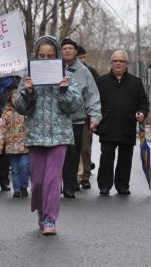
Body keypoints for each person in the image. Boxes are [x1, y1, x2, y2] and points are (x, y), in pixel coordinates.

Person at [15, 35, 82, 235]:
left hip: (59, 135)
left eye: (50, 56)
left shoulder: (67, 76)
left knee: (53, 179)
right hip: (36, 135)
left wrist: (64, 90)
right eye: (41, 56)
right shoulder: (27, 77)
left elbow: (75, 106)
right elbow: (19, 107)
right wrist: (28, 93)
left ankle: (50, 219)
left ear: (57, 56)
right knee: (38, 182)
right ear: (36, 56)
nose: (45, 59)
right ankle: (41, 210)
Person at [95, 50, 149, 196]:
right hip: (107, 126)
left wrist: (142, 112)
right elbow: (94, 103)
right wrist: (94, 120)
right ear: (111, 63)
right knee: (106, 158)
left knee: (125, 160)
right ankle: (104, 186)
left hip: (127, 126)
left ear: (127, 64)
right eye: (115, 61)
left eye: (121, 61)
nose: (118, 63)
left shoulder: (136, 82)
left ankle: (122, 185)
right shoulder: (101, 81)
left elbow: (143, 102)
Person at [60, 39, 101, 198]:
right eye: (64, 48)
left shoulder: (84, 71)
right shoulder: (53, 68)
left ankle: (70, 185)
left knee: (72, 154)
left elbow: (92, 95)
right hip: (56, 119)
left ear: (76, 52)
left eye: (71, 48)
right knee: (57, 154)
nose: (67, 51)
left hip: (76, 120)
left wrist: (95, 116)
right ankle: (56, 185)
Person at [0, 89, 29, 198]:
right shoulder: (6, 113)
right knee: (14, 169)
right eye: (13, 98)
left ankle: (24, 186)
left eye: (18, 98)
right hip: (11, 146)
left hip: (24, 145)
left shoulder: (26, 112)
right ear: (10, 99)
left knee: (24, 166)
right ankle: (17, 189)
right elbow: (2, 130)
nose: (15, 100)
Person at [76, 45, 99, 190]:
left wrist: (95, 115)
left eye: (84, 57)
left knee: (85, 148)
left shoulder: (90, 72)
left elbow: (96, 94)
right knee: (72, 149)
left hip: (85, 117)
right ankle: (73, 175)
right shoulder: (66, 70)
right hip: (71, 116)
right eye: (80, 57)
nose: (83, 60)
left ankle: (85, 175)